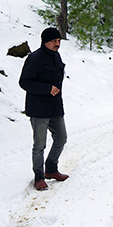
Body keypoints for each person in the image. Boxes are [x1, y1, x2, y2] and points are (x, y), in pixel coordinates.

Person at [19, 27, 69, 190]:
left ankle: (51, 169)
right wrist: (47, 88)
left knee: (61, 138)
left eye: (59, 41)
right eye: (54, 41)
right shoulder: (35, 58)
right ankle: (39, 177)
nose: (57, 44)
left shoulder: (56, 56)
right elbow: (24, 82)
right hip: (39, 108)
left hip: (55, 107)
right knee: (39, 144)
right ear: (45, 42)